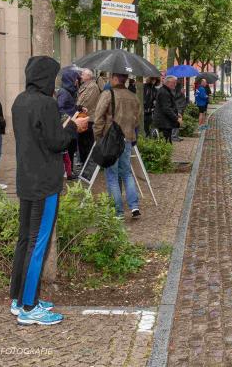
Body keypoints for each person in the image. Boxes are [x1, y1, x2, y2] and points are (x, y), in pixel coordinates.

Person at [10, 56, 88, 326]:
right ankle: (29, 308)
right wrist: (75, 127)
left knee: (25, 240)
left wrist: (64, 126)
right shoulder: (46, 103)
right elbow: (57, 143)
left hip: (26, 179)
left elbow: (40, 136)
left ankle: (19, 298)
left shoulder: (20, 101)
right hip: (45, 181)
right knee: (38, 243)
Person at [94, 73, 141, 220]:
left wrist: (98, 137)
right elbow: (137, 121)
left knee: (112, 176)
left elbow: (98, 118)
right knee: (126, 173)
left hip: (111, 140)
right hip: (127, 139)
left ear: (115, 79)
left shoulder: (108, 94)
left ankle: (118, 212)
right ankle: (134, 206)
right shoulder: (133, 96)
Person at [57, 68, 80, 176]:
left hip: (71, 125)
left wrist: (78, 108)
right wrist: (68, 118)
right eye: (75, 78)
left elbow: (70, 106)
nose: (77, 81)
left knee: (71, 148)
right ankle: (68, 172)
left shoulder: (70, 91)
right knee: (69, 148)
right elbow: (60, 108)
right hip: (68, 126)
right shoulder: (64, 92)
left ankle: (70, 170)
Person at [76, 68, 100, 165]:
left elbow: (86, 103)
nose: (81, 76)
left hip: (88, 119)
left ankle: (88, 165)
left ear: (89, 76)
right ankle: (84, 162)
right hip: (83, 118)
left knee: (87, 143)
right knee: (82, 143)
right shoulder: (85, 86)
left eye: (83, 74)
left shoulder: (93, 87)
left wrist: (77, 106)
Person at [153, 76, 182, 143]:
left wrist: (177, 113)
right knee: (166, 141)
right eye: (174, 83)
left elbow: (169, 106)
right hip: (164, 122)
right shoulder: (164, 92)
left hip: (165, 121)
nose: (175, 84)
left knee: (167, 140)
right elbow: (166, 108)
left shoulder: (165, 90)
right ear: (168, 83)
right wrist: (176, 118)